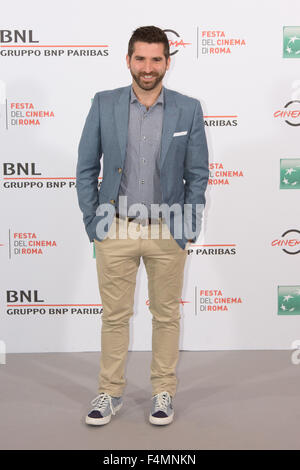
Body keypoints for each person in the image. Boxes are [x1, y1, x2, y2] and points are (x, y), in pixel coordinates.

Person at [76, 25, 209, 426]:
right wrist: (92, 222)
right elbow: (86, 169)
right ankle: (110, 392)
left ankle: (163, 391)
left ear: (167, 61)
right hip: (114, 228)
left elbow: (197, 174)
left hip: (168, 230)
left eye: (156, 59)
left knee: (166, 315)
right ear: (129, 59)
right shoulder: (105, 103)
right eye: (140, 58)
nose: (147, 67)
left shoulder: (188, 108)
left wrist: (187, 225)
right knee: (114, 316)